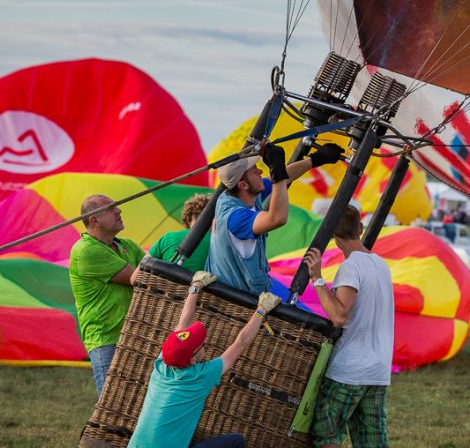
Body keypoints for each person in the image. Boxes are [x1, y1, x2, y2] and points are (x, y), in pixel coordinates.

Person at [128, 271, 281, 448]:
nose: (204, 343)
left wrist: (195, 287)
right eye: (201, 344)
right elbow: (240, 344)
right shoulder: (199, 377)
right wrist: (261, 311)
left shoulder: (162, 365)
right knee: (236, 442)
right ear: (192, 360)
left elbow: (181, 325)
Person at [302, 205, 394, 448]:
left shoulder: (351, 267)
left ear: (333, 236)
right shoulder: (380, 264)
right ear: (360, 229)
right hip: (378, 370)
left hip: (350, 370)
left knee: (326, 431)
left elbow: (339, 316)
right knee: (372, 441)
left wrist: (317, 278)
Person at [206, 143, 343, 294]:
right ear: (243, 185)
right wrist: (277, 172)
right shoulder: (236, 218)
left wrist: (315, 159)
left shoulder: (232, 195)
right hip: (239, 301)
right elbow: (278, 218)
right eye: (254, 171)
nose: (260, 171)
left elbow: (284, 178)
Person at [69, 194, 145, 395]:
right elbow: (139, 277)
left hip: (133, 335)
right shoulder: (86, 250)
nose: (118, 211)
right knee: (111, 408)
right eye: (111, 208)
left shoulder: (126, 245)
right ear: (94, 220)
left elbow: (155, 270)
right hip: (106, 339)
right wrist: (164, 245)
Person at [130, 194, 212, 286]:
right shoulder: (218, 243)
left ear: (188, 219)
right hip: (201, 297)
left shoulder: (168, 238)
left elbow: (134, 278)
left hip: (165, 295)